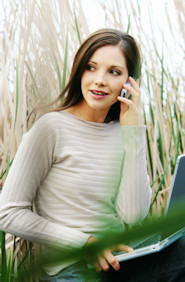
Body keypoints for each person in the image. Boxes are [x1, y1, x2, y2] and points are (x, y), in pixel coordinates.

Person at [0, 28, 184, 282]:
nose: (99, 80)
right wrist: (85, 242)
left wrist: (133, 132)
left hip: (123, 260)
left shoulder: (124, 133)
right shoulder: (51, 127)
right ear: (79, 71)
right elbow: (8, 213)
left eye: (114, 72)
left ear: (130, 82)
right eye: (91, 67)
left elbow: (133, 215)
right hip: (72, 268)